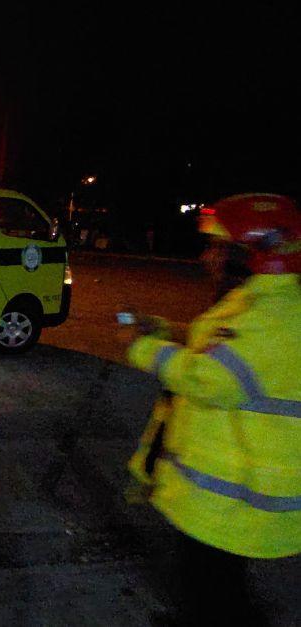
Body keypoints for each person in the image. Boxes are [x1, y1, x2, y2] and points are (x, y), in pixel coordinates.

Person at [124, 194, 301, 623]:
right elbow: (220, 346)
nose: (207, 258)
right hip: (227, 497)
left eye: (218, 249)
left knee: (213, 593)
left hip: (235, 500)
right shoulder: (261, 301)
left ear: (250, 255)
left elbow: (209, 378)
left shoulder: (273, 316)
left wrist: (143, 346)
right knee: (211, 585)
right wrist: (164, 329)